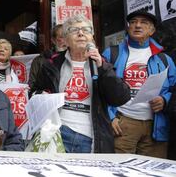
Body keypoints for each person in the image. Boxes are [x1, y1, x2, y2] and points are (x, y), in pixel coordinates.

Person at [32, 14, 130, 153]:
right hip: (58, 134)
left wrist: (102, 68)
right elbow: (35, 92)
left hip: (91, 137)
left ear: (92, 38)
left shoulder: (102, 65)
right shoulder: (52, 65)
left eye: (86, 30)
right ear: (65, 39)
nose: (81, 33)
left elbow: (121, 97)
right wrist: (44, 96)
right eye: (74, 30)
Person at [102, 10, 176, 158]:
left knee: (153, 170)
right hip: (123, 123)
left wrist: (164, 100)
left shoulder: (165, 59)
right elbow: (100, 88)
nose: (137, 25)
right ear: (128, 27)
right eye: (133, 22)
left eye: (144, 22)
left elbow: (174, 89)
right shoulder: (111, 53)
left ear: (152, 30)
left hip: (155, 124)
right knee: (120, 170)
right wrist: (111, 117)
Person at [28, 24, 67, 96]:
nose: (65, 40)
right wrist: (40, 93)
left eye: (67, 37)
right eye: (62, 37)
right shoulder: (40, 60)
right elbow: (31, 86)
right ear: (53, 40)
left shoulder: (75, 58)